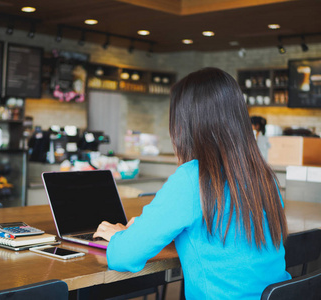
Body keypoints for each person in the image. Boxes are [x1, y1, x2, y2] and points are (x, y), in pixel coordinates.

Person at [93, 67, 291, 299]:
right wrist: (149, 229)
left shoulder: (191, 178)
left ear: (185, 125)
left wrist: (121, 236)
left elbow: (123, 256)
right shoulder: (263, 176)